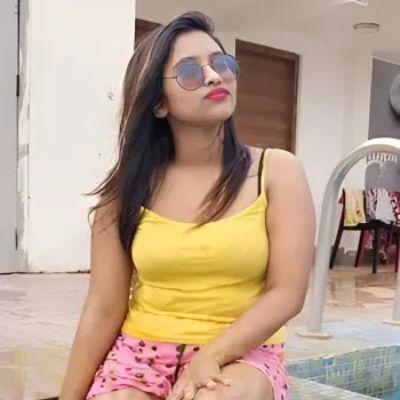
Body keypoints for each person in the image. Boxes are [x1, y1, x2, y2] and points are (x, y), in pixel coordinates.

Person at [59, 10, 316, 400]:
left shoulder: (276, 171)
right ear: (158, 104)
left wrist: (211, 355)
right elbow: (103, 307)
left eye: (221, 63)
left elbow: (287, 292)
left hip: (240, 353)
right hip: (140, 354)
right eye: (190, 72)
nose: (214, 77)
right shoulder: (127, 190)